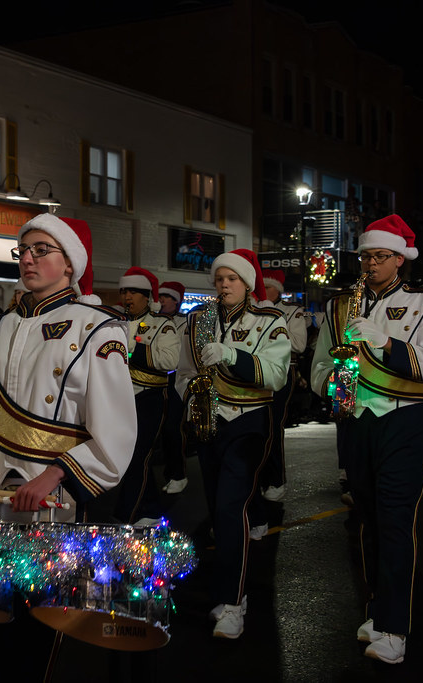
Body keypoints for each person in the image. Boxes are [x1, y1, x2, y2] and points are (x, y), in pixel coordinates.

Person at [0, 213, 136, 682]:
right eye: (23, 250)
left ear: (69, 264)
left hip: (58, 500)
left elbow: (114, 431)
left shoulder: (98, 329)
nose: (27, 258)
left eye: (41, 249)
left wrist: (55, 474)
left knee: (44, 625)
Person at [310, 215, 423, 664]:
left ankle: (395, 626)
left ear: (399, 259)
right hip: (356, 419)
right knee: (368, 519)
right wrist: (332, 382)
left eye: (379, 256)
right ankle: (378, 607)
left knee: (394, 522)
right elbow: (316, 367)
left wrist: (385, 341)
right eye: (365, 255)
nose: (370, 263)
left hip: (404, 420)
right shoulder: (339, 305)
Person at [176, 248, 291, 639]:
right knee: (216, 507)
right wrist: (192, 397)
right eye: (219, 279)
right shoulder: (200, 320)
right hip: (210, 423)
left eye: (232, 279)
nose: (224, 285)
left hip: (249, 422)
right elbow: (185, 371)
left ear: (247, 284)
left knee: (229, 509)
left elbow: (275, 375)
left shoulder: (268, 319)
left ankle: (232, 601)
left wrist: (231, 354)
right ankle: (227, 589)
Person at [113, 267, 180, 525]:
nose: (127, 297)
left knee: (138, 455)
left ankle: (124, 515)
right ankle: (151, 509)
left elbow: (170, 360)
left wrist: (132, 349)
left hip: (150, 397)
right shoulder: (115, 321)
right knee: (131, 456)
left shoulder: (163, 324)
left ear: (146, 296)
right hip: (121, 397)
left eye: (133, 292)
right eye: (124, 291)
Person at [257, 268, 307, 502]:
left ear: (278, 289)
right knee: (255, 428)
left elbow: (298, 344)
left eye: (267, 287)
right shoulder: (253, 309)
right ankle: (258, 478)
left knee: (273, 426)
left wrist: (270, 329)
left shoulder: (292, 311)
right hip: (255, 372)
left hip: (282, 371)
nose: (262, 291)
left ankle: (276, 480)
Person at [158, 280, 190, 493]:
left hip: (176, 379)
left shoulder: (185, 322)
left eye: (166, 297)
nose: (161, 300)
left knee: (172, 427)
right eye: (160, 296)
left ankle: (178, 474)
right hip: (153, 379)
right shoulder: (153, 320)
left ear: (176, 301)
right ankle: (169, 472)